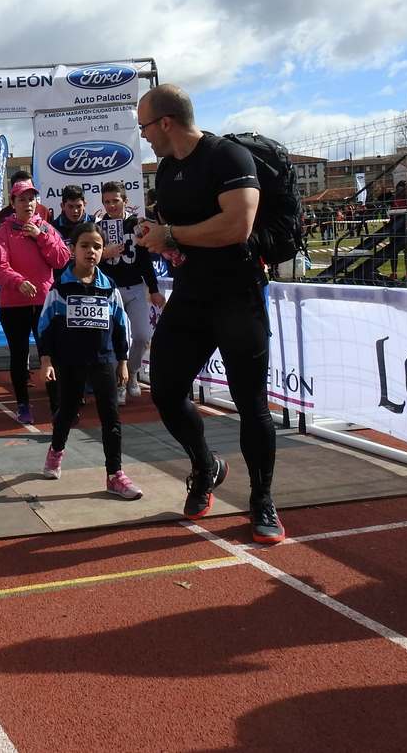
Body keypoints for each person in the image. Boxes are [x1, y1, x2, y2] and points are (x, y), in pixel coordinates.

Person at [135, 83, 284, 544]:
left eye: (145, 126)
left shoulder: (228, 157)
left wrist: (172, 237)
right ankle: (205, 465)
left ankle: (262, 500)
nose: (144, 137)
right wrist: (159, 238)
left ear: (166, 122)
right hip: (193, 294)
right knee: (164, 389)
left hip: (238, 294)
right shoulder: (165, 169)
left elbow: (237, 225)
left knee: (250, 405)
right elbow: (179, 231)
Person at [38, 222, 142, 499]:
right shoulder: (60, 287)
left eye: (97, 246)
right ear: (72, 249)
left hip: (103, 360)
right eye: (84, 245)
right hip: (69, 361)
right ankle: (56, 451)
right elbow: (45, 324)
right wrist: (46, 360)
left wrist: (122, 360)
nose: (91, 251)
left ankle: (115, 474)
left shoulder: (109, 289)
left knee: (111, 417)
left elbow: (122, 325)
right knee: (67, 412)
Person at [0, 178, 71, 424]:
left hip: (44, 302)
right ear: (13, 203)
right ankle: (23, 404)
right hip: (13, 304)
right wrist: (18, 282)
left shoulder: (47, 228)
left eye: (32, 199)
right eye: (22, 199)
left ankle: (57, 405)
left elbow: (62, 260)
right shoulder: (3, 232)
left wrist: (41, 236)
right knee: (19, 354)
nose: (28, 204)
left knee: (50, 354)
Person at [98, 181, 167, 405]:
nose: (111, 206)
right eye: (107, 202)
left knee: (141, 336)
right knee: (116, 339)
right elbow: (88, 259)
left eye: (115, 201)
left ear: (125, 201)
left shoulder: (136, 225)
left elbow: (146, 260)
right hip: (111, 290)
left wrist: (154, 289)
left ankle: (133, 372)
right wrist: (103, 254)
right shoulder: (98, 226)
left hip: (136, 287)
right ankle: (119, 382)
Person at [50, 185, 91, 258]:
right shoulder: (52, 228)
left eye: (79, 206)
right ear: (62, 206)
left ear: (84, 204)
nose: (75, 211)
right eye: (70, 206)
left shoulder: (95, 223)